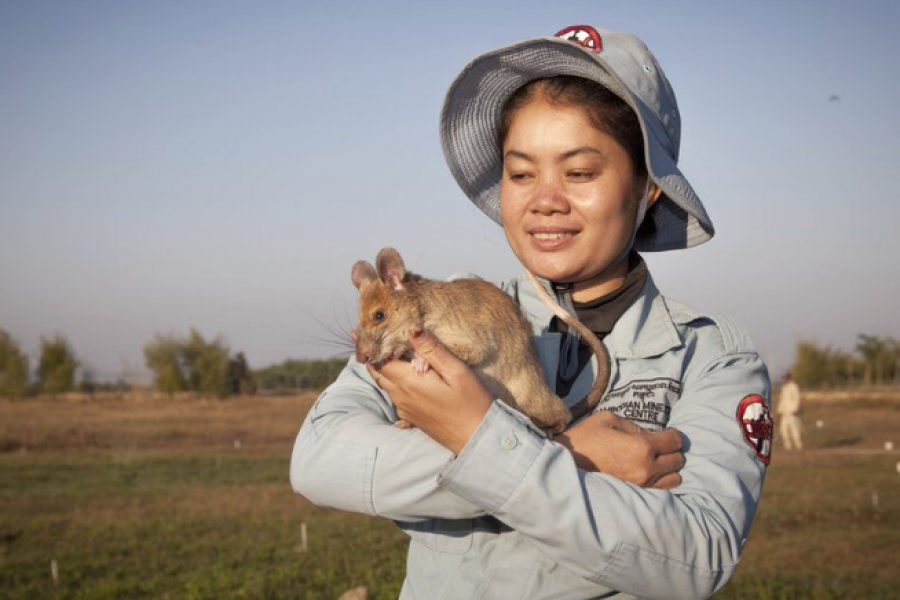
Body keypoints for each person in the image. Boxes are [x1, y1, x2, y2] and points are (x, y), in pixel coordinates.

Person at [291, 24, 773, 600]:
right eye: (521, 174)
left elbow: (697, 556)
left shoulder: (711, 356)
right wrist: (565, 458)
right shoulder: (431, 324)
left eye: (579, 172)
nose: (545, 200)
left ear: (647, 189)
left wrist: (478, 445)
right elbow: (319, 462)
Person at [778, 372, 802, 450]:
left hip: (792, 411)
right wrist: (780, 410)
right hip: (785, 411)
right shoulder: (784, 388)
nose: (783, 380)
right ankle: (788, 446)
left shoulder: (794, 386)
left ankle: (798, 445)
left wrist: (795, 409)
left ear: (788, 378)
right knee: (783, 429)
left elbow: (797, 398)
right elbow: (782, 400)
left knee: (794, 428)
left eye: (785, 378)